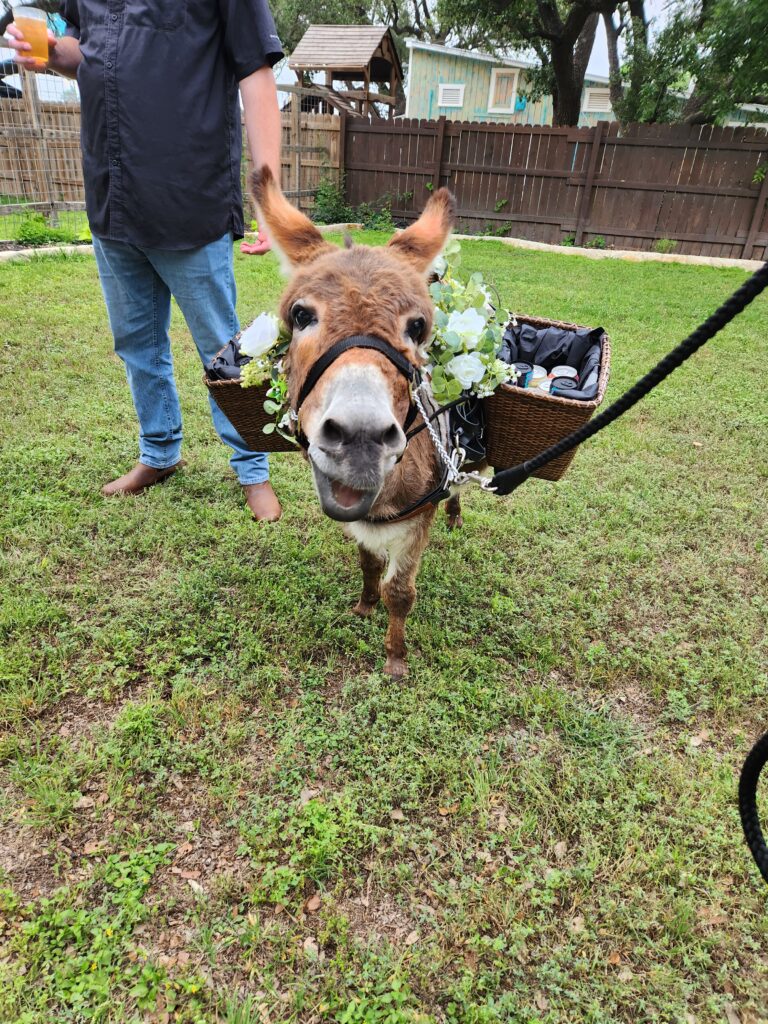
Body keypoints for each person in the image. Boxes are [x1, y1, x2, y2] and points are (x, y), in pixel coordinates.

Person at [8, 0, 284, 521]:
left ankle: (252, 469)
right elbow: (81, 53)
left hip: (190, 199)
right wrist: (45, 53)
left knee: (223, 349)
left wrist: (268, 196)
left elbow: (256, 72)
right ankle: (159, 453)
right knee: (137, 342)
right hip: (112, 197)